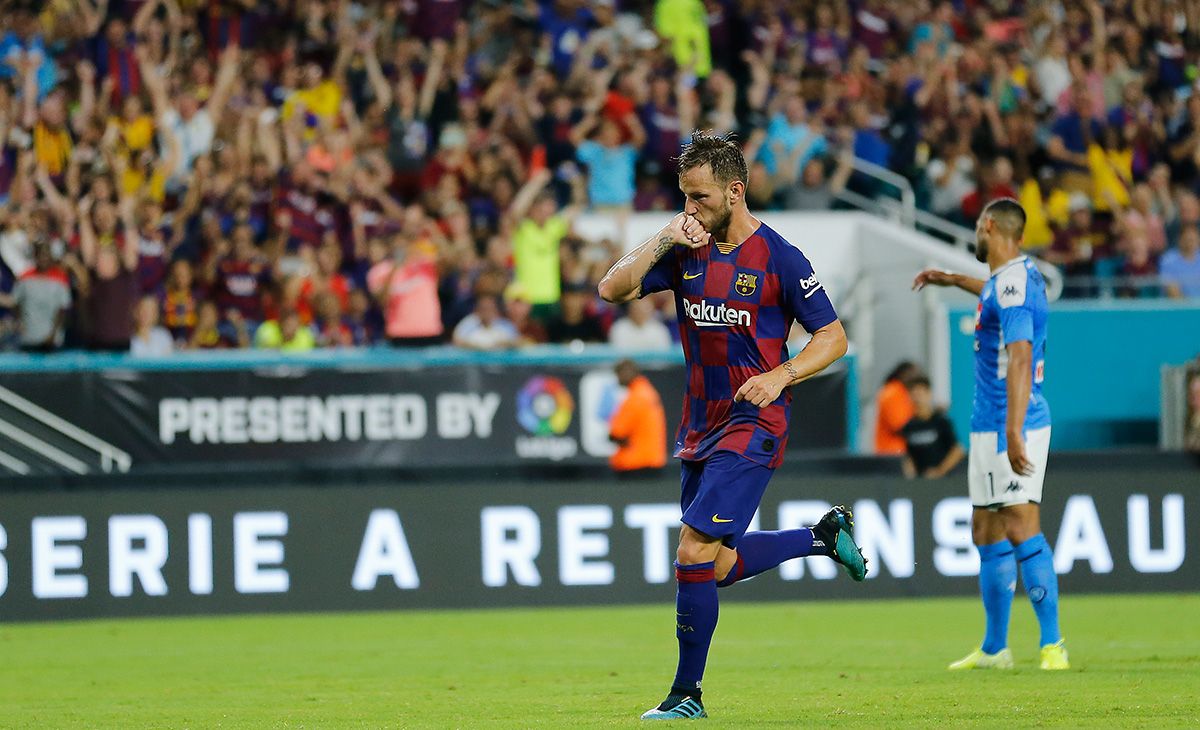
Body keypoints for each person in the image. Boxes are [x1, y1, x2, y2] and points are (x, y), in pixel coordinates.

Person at [597, 131, 866, 721]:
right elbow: (611, 289)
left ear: (735, 192)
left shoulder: (781, 258)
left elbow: (835, 339)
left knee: (692, 549)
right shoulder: (685, 247)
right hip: (701, 426)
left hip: (755, 422)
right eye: (683, 197)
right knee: (714, 566)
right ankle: (822, 537)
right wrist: (664, 233)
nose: (690, 208)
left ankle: (686, 695)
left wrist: (783, 375)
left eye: (699, 197)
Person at [913, 197, 1068, 671]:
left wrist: (1015, 430)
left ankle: (1052, 644)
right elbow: (995, 295)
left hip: (1011, 423)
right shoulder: (1008, 281)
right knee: (986, 530)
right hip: (987, 426)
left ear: (989, 226)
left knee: (1021, 524)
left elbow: (1020, 357)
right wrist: (952, 279)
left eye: (978, 229)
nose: (975, 236)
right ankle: (996, 647)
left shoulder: (1016, 283)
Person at [608, 359, 668, 478]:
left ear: (627, 373)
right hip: (653, 460)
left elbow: (616, 434)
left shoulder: (635, 398)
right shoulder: (649, 392)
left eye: (618, 374)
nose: (617, 379)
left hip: (635, 464)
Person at [899, 375, 965, 479]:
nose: (917, 399)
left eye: (920, 394)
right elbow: (908, 455)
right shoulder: (909, 426)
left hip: (944, 481)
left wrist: (939, 472)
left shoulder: (941, 422)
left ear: (929, 394)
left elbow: (957, 451)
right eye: (913, 395)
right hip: (920, 483)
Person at [874, 361, 920, 455]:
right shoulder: (893, 392)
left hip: (896, 451)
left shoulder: (901, 392)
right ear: (903, 374)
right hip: (892, 452)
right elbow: (899, 425)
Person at [452, 294, 519, 351]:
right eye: (483, 309)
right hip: (471, 363)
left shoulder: (505, 325)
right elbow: (457, 342)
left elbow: (517, 343)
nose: (486, 312)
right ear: (477, 310)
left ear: (495, 310)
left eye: (489, 309)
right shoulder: (468, 323)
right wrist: (475, 346)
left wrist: (504, 344)